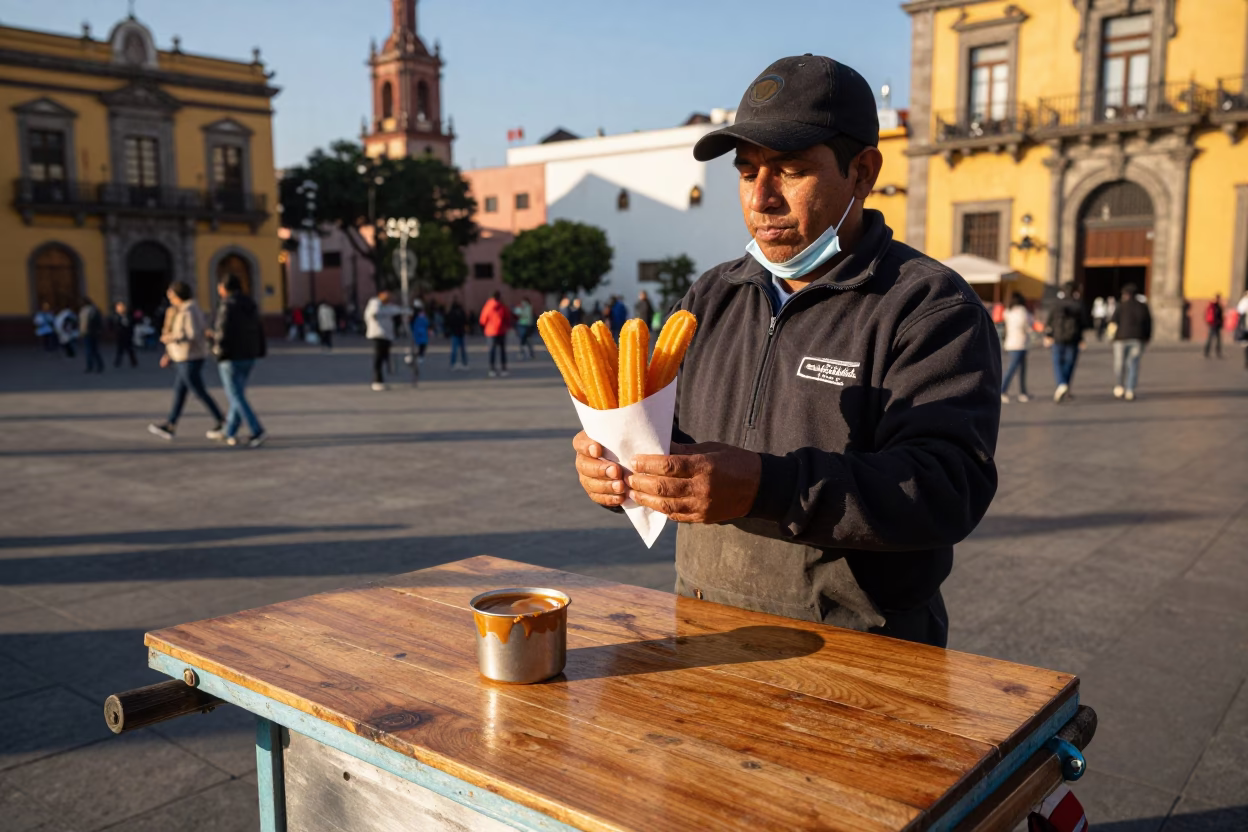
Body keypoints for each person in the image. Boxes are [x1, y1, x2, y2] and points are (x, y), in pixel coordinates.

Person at [572, 55, 1000, 647]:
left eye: (792, 171)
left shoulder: (926, 306)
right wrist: (618, 472)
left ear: (863, 171)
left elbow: (948, 488)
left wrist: (766, 486)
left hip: (862, 647)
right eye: (748, 174)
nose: (762, 199)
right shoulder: (710, 295)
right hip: (707, 629)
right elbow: (663, 441)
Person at [148, 282, 225, 440]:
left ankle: (222, 420)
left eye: (171, 295)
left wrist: (169, 338)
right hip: (183, 356)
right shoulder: (183, 309)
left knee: (198, 391)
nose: (169, 298)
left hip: (190, 357)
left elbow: (192, 334)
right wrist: (168, 354)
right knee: (180, 392)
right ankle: (171, 424)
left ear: (178, 295)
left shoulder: (188, 310)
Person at [205, 275, 268, 446]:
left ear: (225, 288)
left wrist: (214, 342)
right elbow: (259, 329)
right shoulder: (250, 304)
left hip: (230, 356)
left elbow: (223, 332)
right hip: (249, 355)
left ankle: (257, 430)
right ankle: (229, 431)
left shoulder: (227, 305)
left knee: (236, 395)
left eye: (219, 286)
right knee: (238, 394)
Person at [1044, 282, 1089, 403]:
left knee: (1057, 362)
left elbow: (1049, 321)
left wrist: (1048, 335)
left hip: (1057, 337)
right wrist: (1081, 339)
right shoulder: (1078, 304)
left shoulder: (1056, 304)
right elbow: (1083, 324)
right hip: (1073, 338)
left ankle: (1062, 384)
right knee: (1069, 363)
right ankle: (1065, 386)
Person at [1108, 283, 1151, 401]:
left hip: (1120, 338)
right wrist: (1147, 337)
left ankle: (1119, 385)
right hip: (1137, 339)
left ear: (1125, 295)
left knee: (1119, 363)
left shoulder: (1121, 306)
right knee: (1133, 364)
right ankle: (1130, 389)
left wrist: (1110, 336)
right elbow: (1148, 323)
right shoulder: (1143, 306)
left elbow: (1113, 322)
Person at [364, 289, 402, 391]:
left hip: (386, 335)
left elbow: (395, 310)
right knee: (378, 358)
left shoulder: (386, 307)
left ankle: (381, 379)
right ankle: (377, 381)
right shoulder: (375, 304)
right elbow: (375, 312)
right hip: (378, 334)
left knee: (384, 356)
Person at [1000, 293, 1033, 403]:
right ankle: (1004, 391)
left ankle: (1022, 392)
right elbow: (1027, 326)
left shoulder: (1007, 311)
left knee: (1014, 368)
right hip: (1021, 343)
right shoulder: (1023, 312)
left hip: (1010, 343)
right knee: (1016, 369)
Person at [480, 290, 513, 378]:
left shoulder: (488, 306)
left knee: (492, 351)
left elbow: (482, 320)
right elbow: (507, 317)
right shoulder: (502, 306)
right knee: (502, 351)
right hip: (501, 331)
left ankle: (492, 369)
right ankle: (503, 369)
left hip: (490, 332)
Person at [79, 298, 104, 373]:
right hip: (88, 332)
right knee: (91, 350)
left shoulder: (92, 310)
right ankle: (94, 366)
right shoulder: (85, 310)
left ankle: (95, 366)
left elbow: (97, 321)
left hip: (91, 332)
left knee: (91, 350)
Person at [111, 301, 137, 368]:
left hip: (127, 335)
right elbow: (113, 325)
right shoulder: (116, 316)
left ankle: (133, 361)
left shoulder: (128, 316)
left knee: (129, 349)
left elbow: (131, 325)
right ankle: (117, 362)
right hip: (120, 335)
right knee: (120, 349)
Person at [445, 298, 469, 370]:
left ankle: (454, 363)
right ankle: (464, 363)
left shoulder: (451, 313)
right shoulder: (461, 312)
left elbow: (448, 322)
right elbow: (465, 321)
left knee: (455, 349)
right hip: (459, 332)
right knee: (461, 349)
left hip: (456, 333)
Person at [1203, 294, 1224, 359]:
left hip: (1215, 324)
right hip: (1214, 324)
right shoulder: (1214, 306)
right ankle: (1210, 352)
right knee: (1214, 339)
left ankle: (1210, 352)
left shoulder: (1215, 305)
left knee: (1213, 339)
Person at [1235, 289, 1248, 369]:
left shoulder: (1244, 301)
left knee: (1246, 344)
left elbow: (1239, 310)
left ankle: (1246, 362)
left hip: (1246, 326)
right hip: (1246, 326)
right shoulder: (1245, 301)